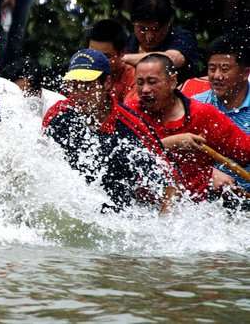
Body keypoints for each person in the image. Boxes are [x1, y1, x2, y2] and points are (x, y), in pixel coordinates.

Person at [42, 49, 176, 212]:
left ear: (107, 83)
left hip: (119, 216)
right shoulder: (58, 115)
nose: (79, 94)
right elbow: (42, 163)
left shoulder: (131, 124)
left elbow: (168, 180)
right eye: (74, 86)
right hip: (70, 208)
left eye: (87, 86)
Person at [125, 53, 250, 200]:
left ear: (172, 82)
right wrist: (171, 143)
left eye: (152, 82)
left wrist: (209, 173)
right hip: (139, 206)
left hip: (194, 210)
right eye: (140, 83)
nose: (145, 89)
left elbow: (246, 151)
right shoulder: (130, 111)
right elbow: (125, 153)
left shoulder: (203, 115)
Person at [193, 36, 250, 190]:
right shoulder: (194, 105)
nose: (217, 76)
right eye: (212, 69)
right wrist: (208, 172)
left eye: (224, 69)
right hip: (206, 200)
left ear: (245, 73)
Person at [123, 0, 199, 83]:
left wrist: (124, 59)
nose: (149, 37)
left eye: (155, 30)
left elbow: (171, 59)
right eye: (142, 29)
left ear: (168, 24)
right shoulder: (129, 41)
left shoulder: (183, 37)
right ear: (133, 24)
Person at [87, 19, 136, 102]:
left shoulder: (134, 78)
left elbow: (130, 112)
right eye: (92, 54)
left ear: (122, 53)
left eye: (105, 56)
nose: (96, 61)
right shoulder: (80, 71)